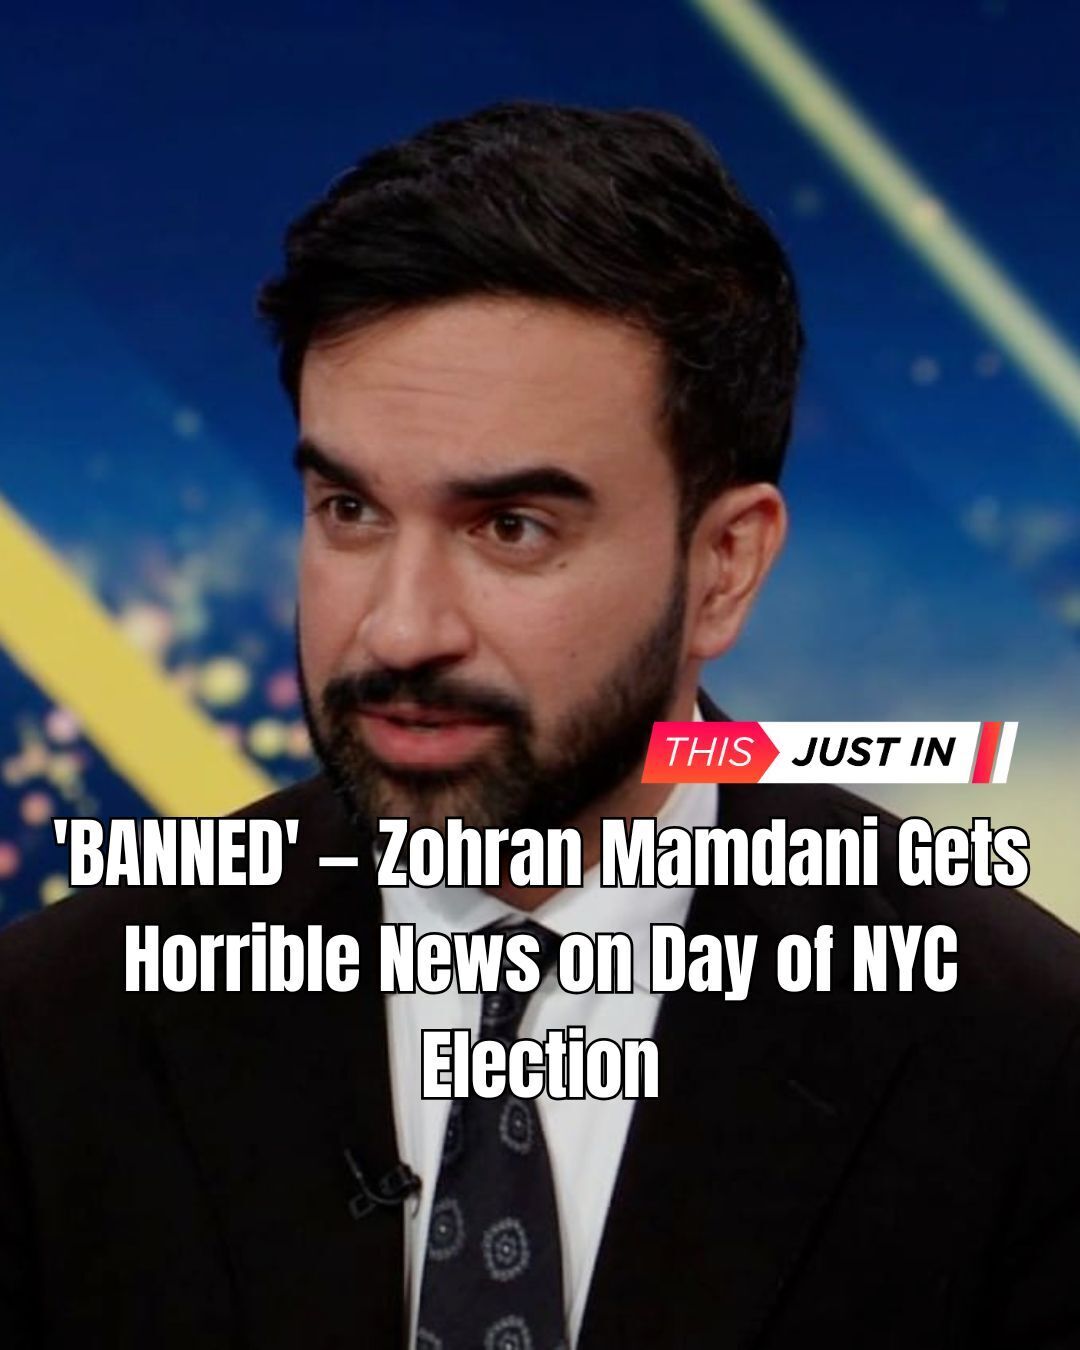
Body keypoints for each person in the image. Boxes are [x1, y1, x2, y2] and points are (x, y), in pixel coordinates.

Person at [1, 100, 1079, 1350]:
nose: (401, 629)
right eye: (350, 510)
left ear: (725, 567)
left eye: (511, 528)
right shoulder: (54, 1032)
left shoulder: (1021, 1058)